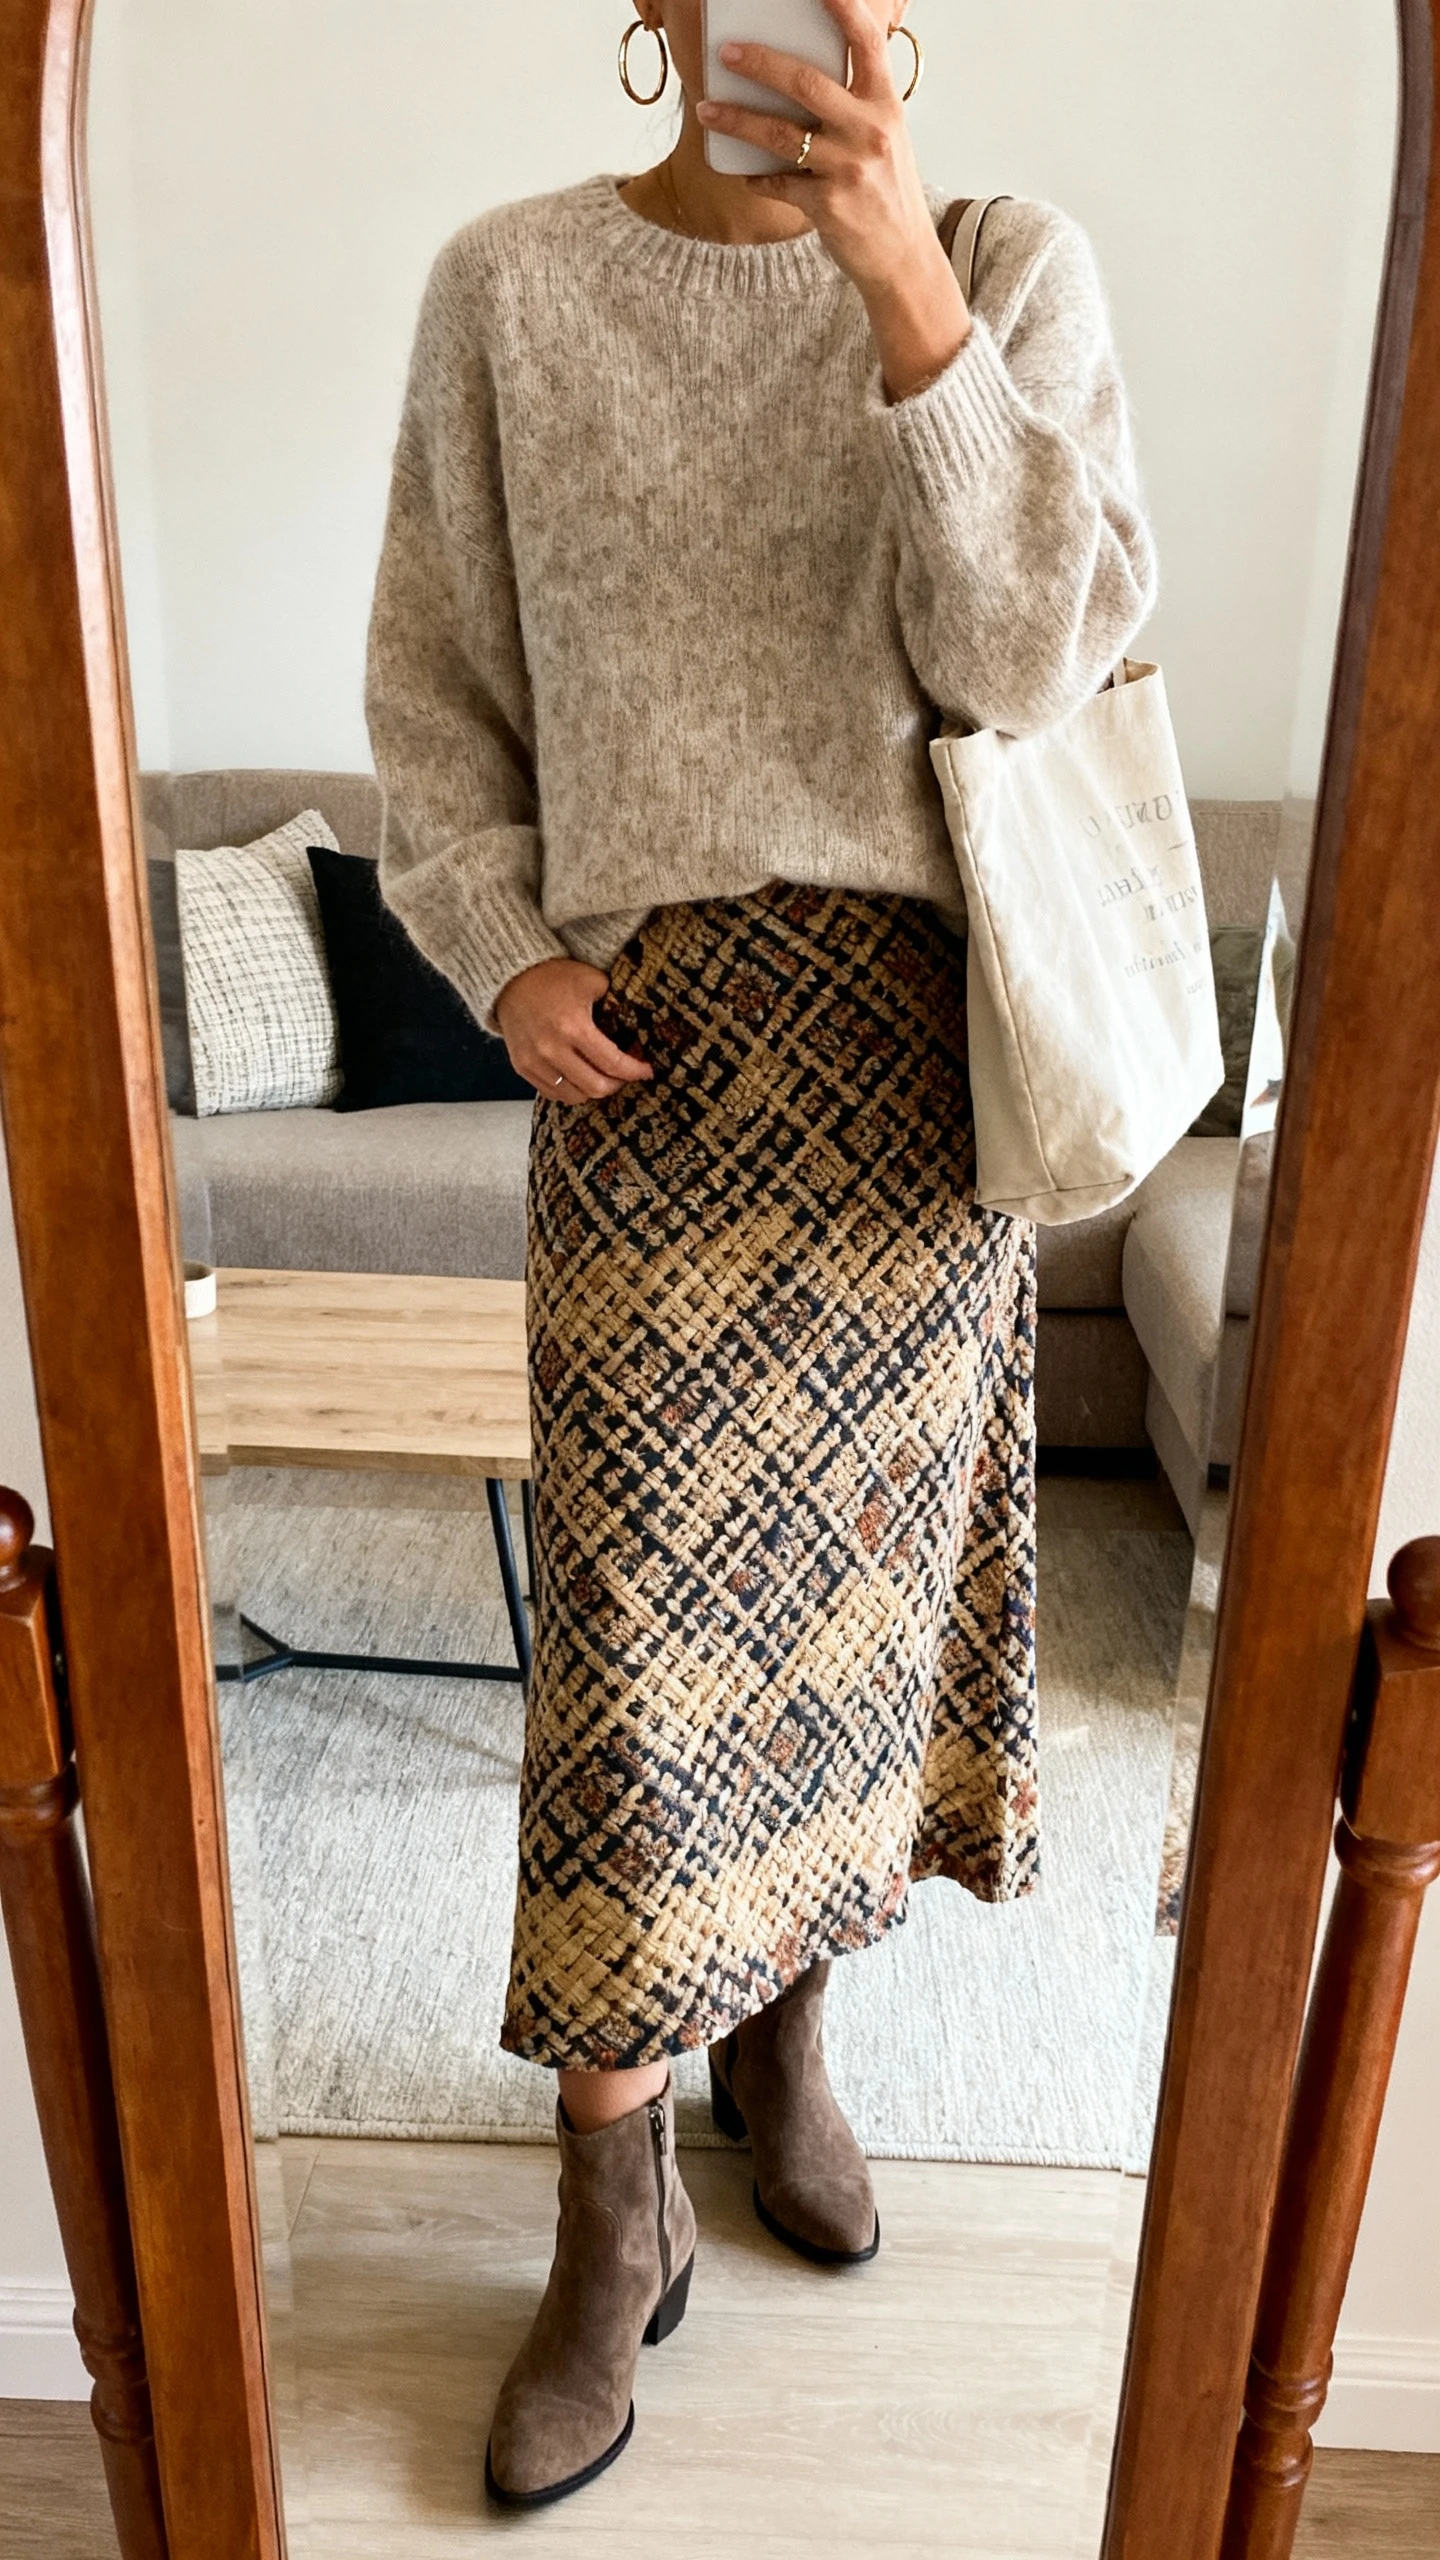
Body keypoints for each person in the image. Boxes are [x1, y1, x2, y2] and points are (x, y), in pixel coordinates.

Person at [366, 0, 1156, 2510]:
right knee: (630, 1653)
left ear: (899, 29)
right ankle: (616, 2223)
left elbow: (1043, 652)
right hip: (658, 1064)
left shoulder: (1011, 266)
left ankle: (782, 2047)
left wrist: (907, 301)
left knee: (843, 1624)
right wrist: (496, 945)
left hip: (916, 1083)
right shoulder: (508, 286)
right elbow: (436, 690)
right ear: (659, 21)